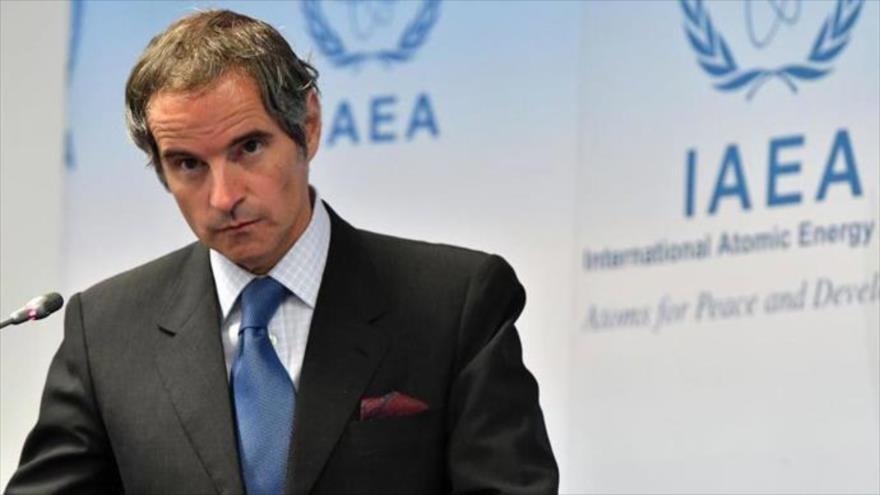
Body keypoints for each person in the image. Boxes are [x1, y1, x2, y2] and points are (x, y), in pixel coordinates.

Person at [6, 9, 558, 495]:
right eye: (188, 164)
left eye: (248, 147)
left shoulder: (454, 304)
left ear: (308, 126)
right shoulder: (106, 332)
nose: (224, 197)